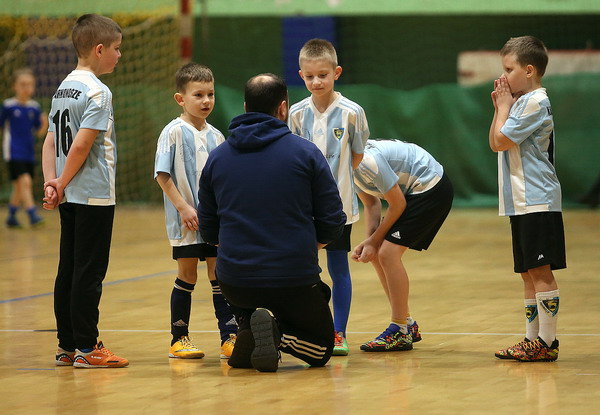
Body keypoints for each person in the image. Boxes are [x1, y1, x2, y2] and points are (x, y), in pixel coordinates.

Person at [198, 73, 346, 372]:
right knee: (320, 350)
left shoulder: (218, 157)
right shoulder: (306, 152)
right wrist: (309, 247)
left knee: (259, 296)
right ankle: (275, 335)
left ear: (245, 107)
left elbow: (208, 226)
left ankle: (249, 331)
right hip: (292, 276)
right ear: (283, 108)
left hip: (235, 281)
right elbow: (333, 219)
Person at [41, 14, 128, 368]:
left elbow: (50, 142)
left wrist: (52, 182)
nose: (119, 55)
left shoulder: (63, 87)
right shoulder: (98, 91)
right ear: (99, 49)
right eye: (117, 49)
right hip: (93, 193)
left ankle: (67, 345)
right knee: (89, 272)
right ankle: (88, 347)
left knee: (69, 268)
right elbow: (80, 145)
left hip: (69, 194)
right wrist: (61, 182)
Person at [288, 38, 369, 356]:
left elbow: (358, 156)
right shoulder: (296, 113)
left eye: (323, 75)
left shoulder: (352, 112)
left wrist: (334, 186)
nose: (316, 82)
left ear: (336, 72)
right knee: (302, 270)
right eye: (309, 76)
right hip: (303, 208)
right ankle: (304, 330)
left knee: (338, 269)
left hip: (339, 207)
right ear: (301, 75)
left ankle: (339, 333)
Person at [489, 36, 565, 362]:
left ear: (530, 70)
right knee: (527, 271)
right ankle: (531, 339)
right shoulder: (519, 102)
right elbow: (495, 141)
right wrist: (502, 109)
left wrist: (503, 109)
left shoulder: (535, 101)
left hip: (537, 198)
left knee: (540, 270)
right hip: (520, 201)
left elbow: (500, 141)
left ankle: (547, 342)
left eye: (509, 69)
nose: (503, 76)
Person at [154, 62, 237, 360]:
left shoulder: (217, 136)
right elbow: (162, 175)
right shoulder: (172, 132)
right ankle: (179, 339)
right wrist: (183, 207)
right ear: (181, 98)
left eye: (210, 94)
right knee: (187, 275)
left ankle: (229, 337)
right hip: (185, 221)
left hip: (214, 222)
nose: (206, 101)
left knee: (219, 276)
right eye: (198, 95)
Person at [352, 139, 453, 352]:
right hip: (412, 192)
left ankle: (399, 329)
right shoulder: (345, 165)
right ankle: (406, 324)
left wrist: (374, 241)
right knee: (378, 254)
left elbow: (398, 204)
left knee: (388, 254)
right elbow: (371, 203)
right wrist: (370, 243)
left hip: (430, 187)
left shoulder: (367, 161)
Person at [1, 68, 48, 228]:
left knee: (19, 186)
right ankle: (32, 215)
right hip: (13, 151)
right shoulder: (8, 106)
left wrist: (44, 124)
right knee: (25, 182)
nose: (27, 88)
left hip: (28, 152)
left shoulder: (34, 107)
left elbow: (39, 133)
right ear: (14, 86)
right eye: (23, 84)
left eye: (30, 84)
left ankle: (11, 217)